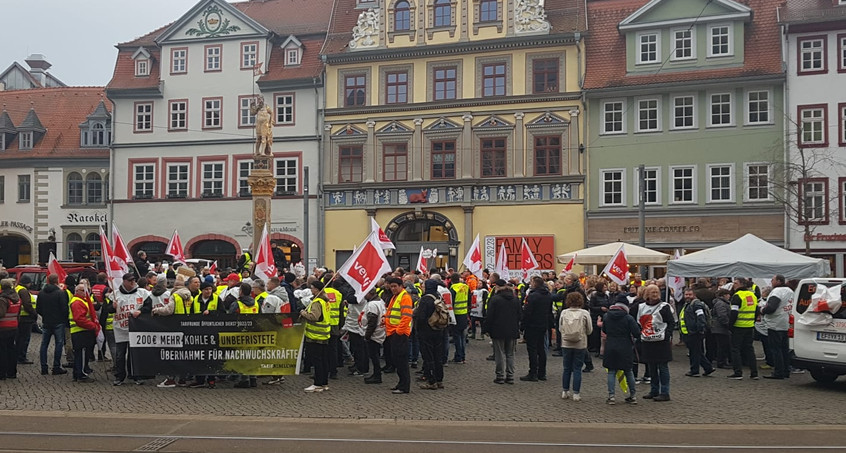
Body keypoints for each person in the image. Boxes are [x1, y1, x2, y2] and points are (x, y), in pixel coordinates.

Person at [638, 284, 674, 401]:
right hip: (648, 341)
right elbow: (639, 322)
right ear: (647, 294)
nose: (655, 294)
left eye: (656, 292)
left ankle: (665, 392)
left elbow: (671, 322)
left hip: (661, 340)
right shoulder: (641, 307)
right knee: (651, 366)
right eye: (652, 292)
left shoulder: (664, 307)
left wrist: (667, 335)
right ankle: (654, 390)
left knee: (662, 366)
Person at [112, 273, 149, 386]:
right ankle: (119, 376)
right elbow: (107, 309)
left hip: (135, 329)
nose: (133, 282)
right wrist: (111, 307)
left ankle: (135, 375)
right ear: (124, 281)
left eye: (133, 280)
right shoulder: (115, 294)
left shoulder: (142, 293)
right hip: (120, 329)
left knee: (134, 354)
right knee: (120, 355)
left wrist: (141, 311)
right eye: (130, 281)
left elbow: (148, 306)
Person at [603, 294, 640, 405]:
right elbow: (636, 333)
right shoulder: (628, 318)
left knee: (611, 371)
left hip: (611, 345)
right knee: (628, 371)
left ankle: (611, 396)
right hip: (625, 346)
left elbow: (604, 330)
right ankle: (633, 396)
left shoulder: (606, 316)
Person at [487, 279, 522, 385]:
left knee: (499, 353)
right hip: (512, 329)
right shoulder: (515, 300)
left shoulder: (495, 299)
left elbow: (490, 316)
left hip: (498, 329)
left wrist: (487, 329)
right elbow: (520, 315)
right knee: (510, 354)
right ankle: (510, 376)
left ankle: (500, 376)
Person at [559, 292, 592, 400]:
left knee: (566, 368)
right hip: (580, 343)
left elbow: (560, 328)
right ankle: (576, 393)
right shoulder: (585, 313)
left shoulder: (564, 312)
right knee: (577, 368)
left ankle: (565, 391)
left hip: (566, 343)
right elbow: (590, 330)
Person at [300, 280, 330, 393]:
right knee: (323, 360)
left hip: (315, 335)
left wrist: (303, 313)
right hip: (324, 334)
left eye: (312, 288)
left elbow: (314, 317)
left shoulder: (317, 302)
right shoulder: (325, 301)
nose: (311, 290)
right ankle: (324, 383)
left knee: (317, 361)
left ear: (317, 289)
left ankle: (317, 384)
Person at [521, 276, 552, 382]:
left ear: (535, 283)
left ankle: (533, 373)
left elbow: (528, 312)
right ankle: (542, 373)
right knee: (541, 349)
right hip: (543, 324)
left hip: (532, 325)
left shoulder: (533, 296)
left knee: (532, 349)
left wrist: (523, 326)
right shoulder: (548, 295)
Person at [761, 275, 793, 380]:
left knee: (776, 349)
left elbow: (771, 307)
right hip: (786, 322)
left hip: (775, 323)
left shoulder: (777, 292)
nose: (771, 281)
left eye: (773, 280)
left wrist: (761, 310)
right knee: (784, 349)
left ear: (779, 281)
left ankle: (778, 372)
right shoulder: (790, 291)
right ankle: (786, 370)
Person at [385, 277, 413, 394]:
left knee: (401, 361)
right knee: (397, 360)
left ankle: (404, 386)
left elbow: (406, 316)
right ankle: (401, 384)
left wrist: (399, 332)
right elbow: (392, 313)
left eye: (395, 286)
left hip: (399, 333)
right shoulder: (396, 297)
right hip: (393, 332)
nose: (393, 289)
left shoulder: (405, 297)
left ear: (401, 286)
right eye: (391, 286)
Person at [37, 274, 69, 376]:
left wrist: (45, 315)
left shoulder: (41, 293)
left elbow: (38, 309)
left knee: (44, 344)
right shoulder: (60, 293)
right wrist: (63, 318)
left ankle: (44, 367)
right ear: (57, 281)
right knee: (59, 344)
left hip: (46, 322)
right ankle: (56, 367)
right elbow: (64, 309)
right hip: (58, 322)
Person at [727, 278, 759, 380]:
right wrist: (752, 322)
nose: (734, 285)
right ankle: (754, 373)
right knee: (749, 349)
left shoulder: (737, 296)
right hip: (749, 326)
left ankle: (738, 372)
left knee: (735, 349)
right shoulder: (752, 295)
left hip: (739, 326)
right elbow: (756, 310)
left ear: (741, 284)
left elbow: (734, 313)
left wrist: (730, 325)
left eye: (736, 283)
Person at [680, 289, 715, 377]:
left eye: (690, 294)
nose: (687, 296)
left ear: (694, 295)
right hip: (688, 332)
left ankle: (695, 370)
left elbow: (701, 317)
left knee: (695, 353)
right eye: (686, 294)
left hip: (694, 332)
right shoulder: (688, 304)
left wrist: (699, 329)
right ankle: (708, 368)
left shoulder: (696, 304)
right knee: (697, 352)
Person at [69, 284, 100, 383]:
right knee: (81, 354)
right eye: (82, 290)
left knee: (80, 354)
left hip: (82, 331)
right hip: (80, 331)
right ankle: (81, 374)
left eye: (86, 290)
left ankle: (77, 373)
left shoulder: (82, 301)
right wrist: (93, 325)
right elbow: (80, 319)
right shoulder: (78, 302)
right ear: (77, 291)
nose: (85, 292)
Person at [414, 293, 444, 389]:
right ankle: (439, 380)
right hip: (438, 330)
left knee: (428, 356)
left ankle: (431, 381)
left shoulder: (425, 300)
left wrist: (417, 328)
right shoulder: (438, 296)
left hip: (426, 332)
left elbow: (421, 317)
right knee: (437, 356)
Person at [362, 288, 387, 384]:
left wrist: (367, 335)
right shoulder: (380, 301)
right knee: (375, 355)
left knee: (374, 356)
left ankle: (377, 375)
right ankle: (376, 374)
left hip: (374, 334)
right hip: (380, 332)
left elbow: (372, 321)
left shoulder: (372, 305)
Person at [0, 279, 22, 379]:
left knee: (2, 350)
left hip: (3, 327)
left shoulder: (3, 299)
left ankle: (2, 373)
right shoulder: (16, 297)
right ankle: (12, 372)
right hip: (14, 326)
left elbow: (1, 313)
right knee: (11, 349)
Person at [448, 273, 469, 364]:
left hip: (456, 315)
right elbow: (469, 299)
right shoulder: (465, 287)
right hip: (464, 313)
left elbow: (450, 303)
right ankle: (462, 356)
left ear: (451, 280)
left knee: (457, 337)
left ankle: (458, 357)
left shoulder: (453, 289)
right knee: (462, 336)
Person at [711, 289, 732, 369]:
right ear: (724, 295)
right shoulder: (721, 304)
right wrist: (728, 324)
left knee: (722, 345)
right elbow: (722, 316)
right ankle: (721, 362)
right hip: (720, 328)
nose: (729, 296)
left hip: (719, 327)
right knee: (722, 346)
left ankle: (722, 361)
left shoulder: (721, 303)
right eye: (728, 294)